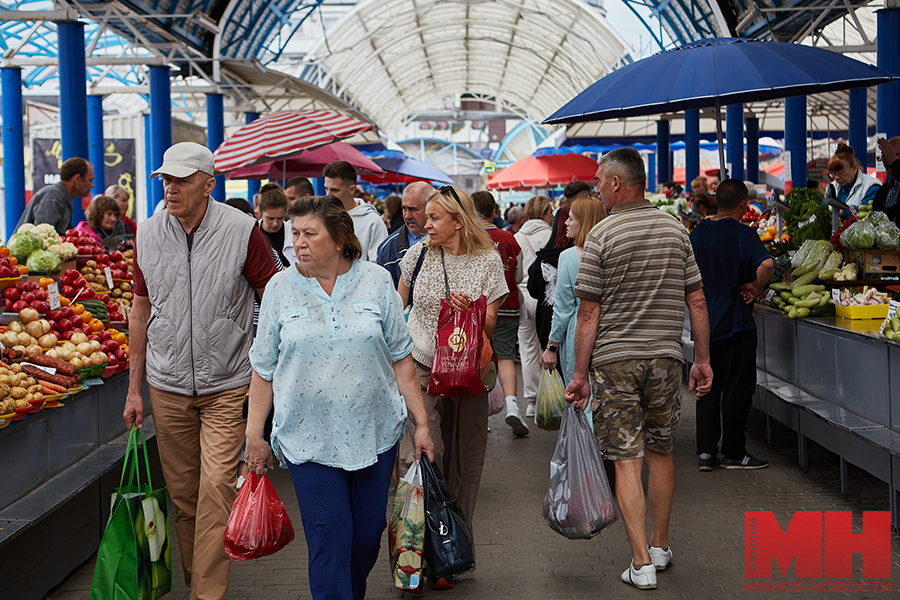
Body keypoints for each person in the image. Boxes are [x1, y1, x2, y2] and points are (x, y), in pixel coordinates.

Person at [245, 195, 433, 600]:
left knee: (366, 536)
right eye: (295, 234)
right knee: (330, 535)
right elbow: (263, 369)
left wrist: (421, 424)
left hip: (375, 431)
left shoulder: (376, 280)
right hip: (306, 436)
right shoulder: (280, 286)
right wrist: (254, 434)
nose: (299, 242)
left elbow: (401, 358)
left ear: (340, 238)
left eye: (310, 233)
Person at [122, 141, 277, 600]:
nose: (170, 188)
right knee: (184, 497)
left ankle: (206, 594)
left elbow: (273, 299)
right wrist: (134, 389)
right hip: (166, 384)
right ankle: (198, 581)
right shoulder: (147, 233)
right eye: (165, 179)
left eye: (181, 180)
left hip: (228, 384)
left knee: (215, 490)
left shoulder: (242, 231)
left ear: (209, 185)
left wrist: (264, 370)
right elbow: (139, 308)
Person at [565, 148, 712, 591]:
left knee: (626, 459)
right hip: (666, 359)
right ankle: (662, 545)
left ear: (616, 183)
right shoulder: (675, 228)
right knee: (660, 452)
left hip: (615, 362)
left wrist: (578, 374)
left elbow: (587, 314)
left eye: (598, 180)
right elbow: (698, 300)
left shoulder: (602, 236)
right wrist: (702, 360)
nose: (596, 188)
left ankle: (641, 562)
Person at [397, 186, 508, 589]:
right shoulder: (417, 255)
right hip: (423, 366)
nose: (424, 224)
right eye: (424, 217)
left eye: (434, 218)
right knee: (425, 455)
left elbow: (493, 324)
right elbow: (398, 309)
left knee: (465, 461)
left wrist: (474, 311)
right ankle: (415, 552)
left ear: (458, 221)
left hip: (468, 373)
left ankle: (450, 551)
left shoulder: (487, 262)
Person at [690, 179, 773, 472]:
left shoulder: (696, 233)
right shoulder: (743, 234)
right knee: (737, 390)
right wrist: (754, 286)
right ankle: (734, 452)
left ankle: (705, 454)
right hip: (736, 324)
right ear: (743, 204)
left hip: (703, 325)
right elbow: (766, 265)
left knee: (706, 387)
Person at [472, 190, 528, 437]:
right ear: (495, 211)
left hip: (476, 309)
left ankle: (478, 413)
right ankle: (512, 405)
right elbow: (519, 274)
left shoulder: (468, 237)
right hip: (507, 304)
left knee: (475, 355)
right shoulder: (508, 237)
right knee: (505, 355)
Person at [539, 195, 607, 389]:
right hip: (608, 331)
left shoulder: (568, 257)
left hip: (577, 332)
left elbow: (563, 308)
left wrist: (552, 346)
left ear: (583, 222)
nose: (566, 223)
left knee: (578, 390)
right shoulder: (610, 253)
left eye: (571, 218)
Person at [514, 195, 553, 418]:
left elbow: (516, 270)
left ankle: (531, 400)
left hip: (522, 296)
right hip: (545, 296)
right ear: (545, 211)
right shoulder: (551, 235)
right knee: (548, 347)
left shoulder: (517, 237)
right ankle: (550, 397)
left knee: (527, 348)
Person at [323, 161, 388, 262]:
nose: (328, 194)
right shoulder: (322, 217)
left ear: (352, 189)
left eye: (335, 190)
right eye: (326, 189)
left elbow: (378, 264)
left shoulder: (372, 221)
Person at [376, 181, 433, 288]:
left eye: (413, 209)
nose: (407, 216)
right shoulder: (388, 248)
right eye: (404, 209)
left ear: (430, 207)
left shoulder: (448, 242)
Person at [18, 157, 93, 235]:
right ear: (77, 179)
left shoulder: (60, 197)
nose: (92, 185)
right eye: (90, 180)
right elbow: (43, 237)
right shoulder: (53, 197)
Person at [827, 142, 881, 212]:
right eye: (833, 174)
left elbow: (866, 211)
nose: (836, 177)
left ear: (854, 168)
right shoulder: (832, 186)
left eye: (840, 173)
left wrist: (840, 212)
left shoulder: (872, 186)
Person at [257, 183, 291, 267]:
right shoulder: (252, 231)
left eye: (280, 218)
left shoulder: (293, 231)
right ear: (260, 213)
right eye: (270, 218)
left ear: (286, 213)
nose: (275, 223)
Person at [873, 137, 900, 224]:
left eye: (890, 155)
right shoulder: (885, 189)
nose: (885, 160)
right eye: (883, 156)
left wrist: (895, 164)